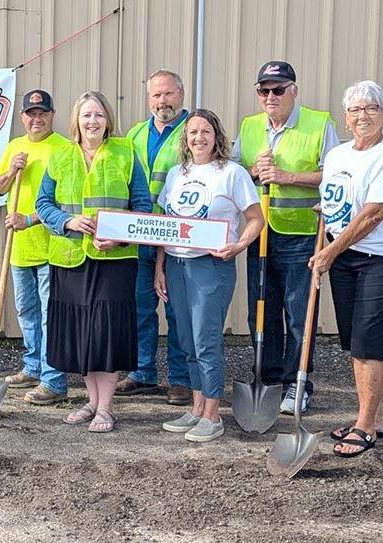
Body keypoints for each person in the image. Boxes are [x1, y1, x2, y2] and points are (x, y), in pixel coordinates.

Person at [36, 90, 152, 433]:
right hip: (70, 260)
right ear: (76, 121)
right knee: (82, 333)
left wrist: (121, 236)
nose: (92, 121)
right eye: (86, 115)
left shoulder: (125, 152)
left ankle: (106, 407)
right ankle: (91, 401)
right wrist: (67, 222)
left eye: (99, 115)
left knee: (106, 332)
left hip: (114, 259)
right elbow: (44, 204)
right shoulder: (59, 156)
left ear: (108, 120)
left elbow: (143, 206)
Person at [234, 61, 339, 414]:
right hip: (260, 233)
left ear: (293, 90)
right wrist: (252, 171)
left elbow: (336, 174)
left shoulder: (318, 123)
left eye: (278, 89)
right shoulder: (249, 127)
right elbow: (233, 173)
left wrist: (287, 176)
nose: (270, 96)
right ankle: (269, 378)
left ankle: (298, 383)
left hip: (300, 234)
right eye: (264, 90)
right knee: (261, 311)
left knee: (297, 313)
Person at [155, 109, 263, 442]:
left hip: (210, 266)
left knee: (206, 339)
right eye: (192, 133)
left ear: (216, 135)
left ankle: (214, 414)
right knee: (186, 339)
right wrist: (159, 266)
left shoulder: (232, 173)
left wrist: (238, 245)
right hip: (176, 264)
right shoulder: (176, 173)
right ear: (184, 140)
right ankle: (197, 407)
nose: (198, 138)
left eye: (205, 131)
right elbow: (167, 224)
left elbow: (256, 219)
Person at [307, 80, 383, 457]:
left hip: (375, 258)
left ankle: (366, 426)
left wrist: (330, 251)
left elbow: (373, 214)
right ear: (346, 118)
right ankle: (371, 417)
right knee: (355, 339)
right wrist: (328, 230)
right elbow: (333, 200)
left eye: (370, 108)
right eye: (355, 110)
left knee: (368, 343)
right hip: (343, 257)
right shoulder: (337, 155)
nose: (362, 115)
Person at [0, 89, 71, 405]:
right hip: (19, 247)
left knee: (51, 315)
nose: (37, 119)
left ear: (52, 115)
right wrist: (11, 170)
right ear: (23, 117)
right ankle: (33, 366)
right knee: (26, 310)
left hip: (53, 246)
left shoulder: (64, 149)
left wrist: (30, 218)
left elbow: (66, 202)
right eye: (31, 114)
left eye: (43, 113)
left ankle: (53, 380)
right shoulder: (15, 147)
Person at [119, 69, 191, 405]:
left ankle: (180, 378)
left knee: (177, 310)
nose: (162, 102)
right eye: (155, 96)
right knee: (140, 306)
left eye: (167, 94)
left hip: (178, 235)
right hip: (140, 233)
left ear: (181, 93)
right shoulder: (134, 133)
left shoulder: (194, 131)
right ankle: (142, 371)